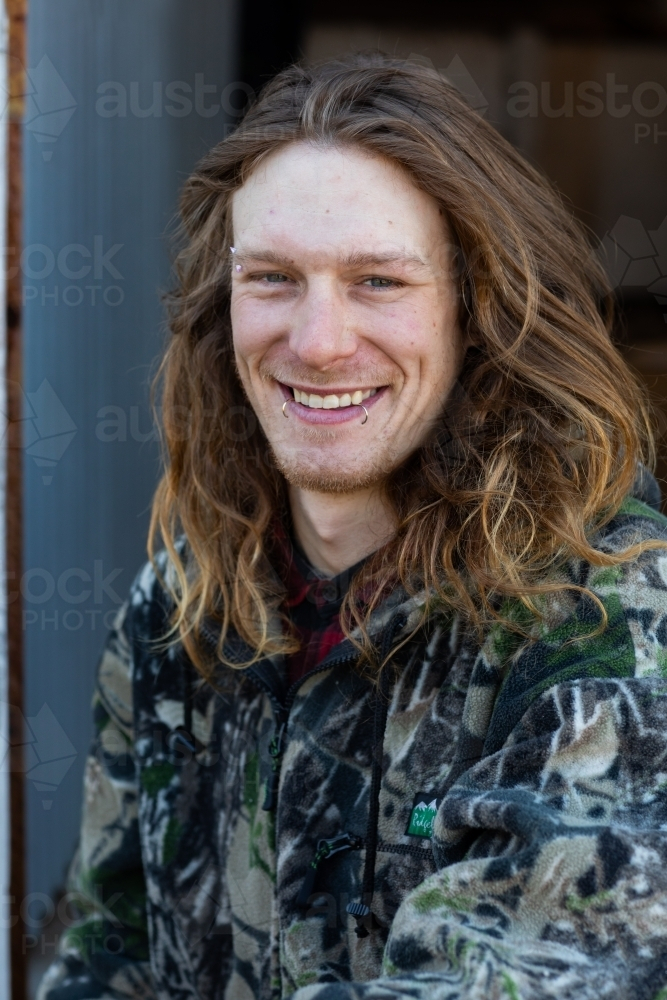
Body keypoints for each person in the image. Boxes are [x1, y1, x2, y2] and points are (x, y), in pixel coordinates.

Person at [39, 54, 667, 1000]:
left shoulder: (600, 611)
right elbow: (104, 956)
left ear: (476, 309)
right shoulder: (182, 604)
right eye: (274, 278)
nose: (319, 340)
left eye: (378, 281)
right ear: (224, 304)